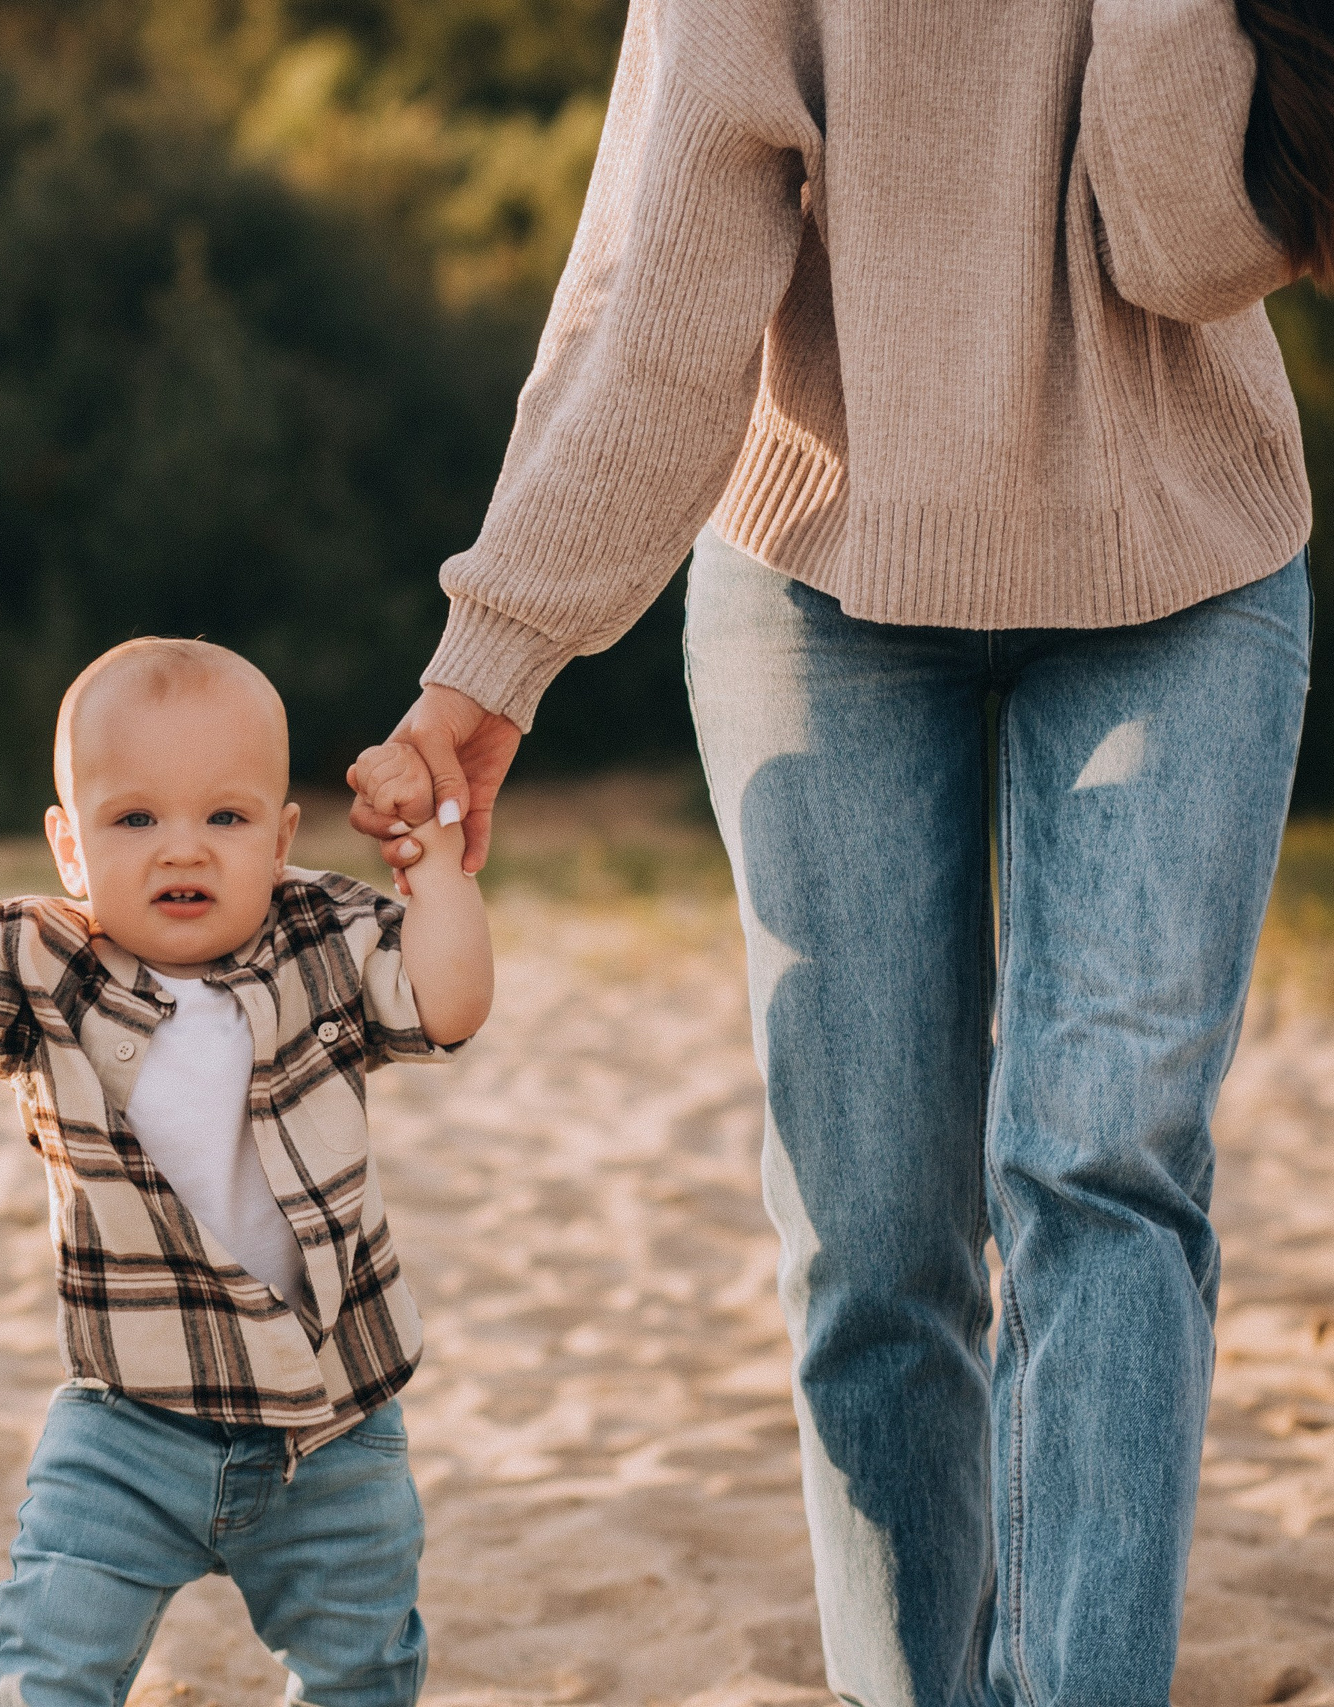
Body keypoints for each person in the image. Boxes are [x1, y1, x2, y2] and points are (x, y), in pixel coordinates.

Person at [348, 0, 1329, 1701]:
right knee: (870, 1237)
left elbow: (1182, 243)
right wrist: (495, 649)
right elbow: (664, 301)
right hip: (823, 573)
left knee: (1104, 1161)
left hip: (1181, 567)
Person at [0, 639, 493, 1707]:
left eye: (224, 818)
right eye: (134, 819)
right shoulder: (46, 967)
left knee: (362, 1670)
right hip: (126, 1428)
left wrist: (437, 869)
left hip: (334, 1428)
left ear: (279, 839)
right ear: (69, 846)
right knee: (50, 1662)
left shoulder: (319, 937)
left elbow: (447, 1004)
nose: (183, 850)